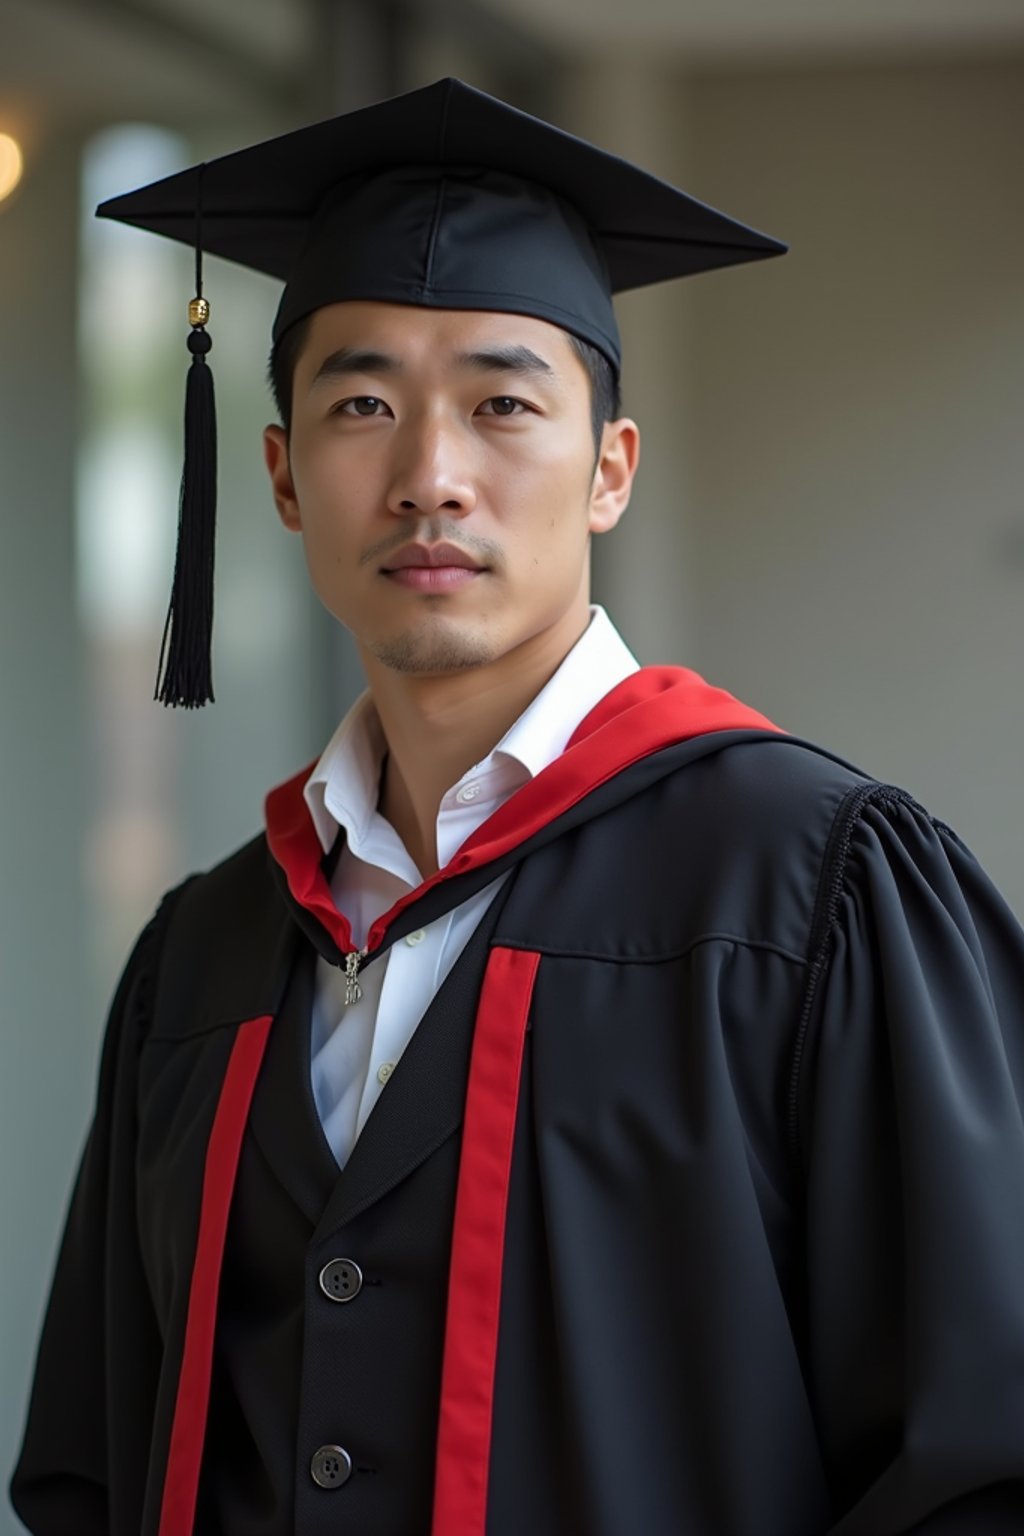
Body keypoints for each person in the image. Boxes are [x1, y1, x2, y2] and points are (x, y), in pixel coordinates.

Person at [10, 77, 1024, 1536]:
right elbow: (94, 1466)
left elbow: (976, 1467)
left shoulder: (819, 891)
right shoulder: (204, 953)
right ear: (286, 477)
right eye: (363, 404)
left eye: (502, 404)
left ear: (610, 469)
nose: (431, 476)